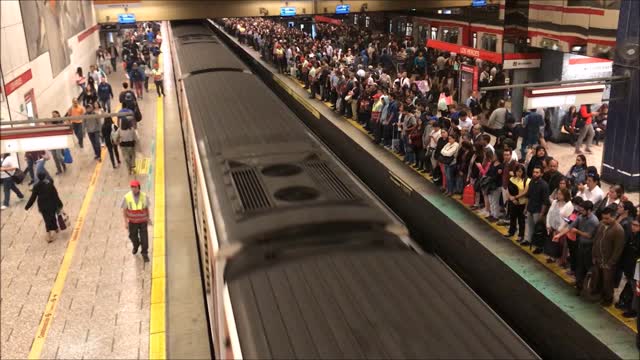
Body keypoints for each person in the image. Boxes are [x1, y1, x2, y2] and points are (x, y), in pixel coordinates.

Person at [554, 200, 600, 294]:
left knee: (588, 268)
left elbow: (589, 236)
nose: (581, 212)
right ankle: (579, 285)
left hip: (589, 248)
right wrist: (559, 235)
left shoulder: (593, 221)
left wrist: (577, 232)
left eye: (583, 210)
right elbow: (570, 227)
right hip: (580, 245)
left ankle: (589, 288)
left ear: (589, 210)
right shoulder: (581, 216)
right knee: (580, 266)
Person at [590, 207, 625, 306]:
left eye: (607, 218)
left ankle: (608, 299)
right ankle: (600, 295)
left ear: (614, 217)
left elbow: (618, 250)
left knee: (607, 282)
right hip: (598, 259)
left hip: (608, 262)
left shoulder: (618, 230)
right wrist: (594, 255)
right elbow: (596, 240)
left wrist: (610, 263)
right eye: (603, 218)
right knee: (598, 278)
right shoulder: (601, 224)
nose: (605, 220)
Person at [24, 172, 64, 243]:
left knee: (47, 219)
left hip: (43, 206)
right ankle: (55, 228)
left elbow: (33, 197)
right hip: (52, 204)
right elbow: (55, 195)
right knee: (52, 216)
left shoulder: (36, 186)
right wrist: (60, 204)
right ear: (45, 177)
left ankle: (49, 235)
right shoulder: (50, 185)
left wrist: (27, 206)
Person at [615, 201, 639, 316]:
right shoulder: (633, 236)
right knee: (630, 286)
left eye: (636, 225)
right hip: (630, 267)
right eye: (633, 225)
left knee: (635, 290)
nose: (632, 227)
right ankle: (626, 303)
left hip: (636, 270)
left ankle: (633, 310)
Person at [122, 180, 152, 262]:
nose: (133, 189)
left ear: (139, 188)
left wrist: (148, 218)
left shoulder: (144, 197)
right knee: (132, 236)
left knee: (144, 238)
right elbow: (124, 210)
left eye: (135, 187)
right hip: (132, 222)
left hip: (142, 221)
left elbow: (147, 209)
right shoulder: (127, 197)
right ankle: (136, 245)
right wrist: (125, 222)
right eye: (132, 187)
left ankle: (144, 253)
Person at [522, 166, 550, 253]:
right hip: (530, 208)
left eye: (537, 172)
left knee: (538, 230)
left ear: (541, 174)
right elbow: (528, 196)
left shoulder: (544, 185)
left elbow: (545, 202)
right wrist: (526, 208)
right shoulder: (531, 182)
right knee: (529, 225)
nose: (535, 174)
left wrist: (542, 214)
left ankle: (539, 247)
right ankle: (528, 240)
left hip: (538, 210)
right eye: (534, 172)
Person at [545, 188, 574, 264]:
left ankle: (561, 260)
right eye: (557, 193)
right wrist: (548, 224)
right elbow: (549, 213)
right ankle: (551, 256)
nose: (558, 195)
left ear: (565, 195)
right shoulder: (554, 202)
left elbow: (568, 220)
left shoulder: (569, 205)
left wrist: (560, 229)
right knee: (552, 243)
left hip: (561, 230)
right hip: (552, 227)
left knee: (560, 246)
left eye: (560, 194)